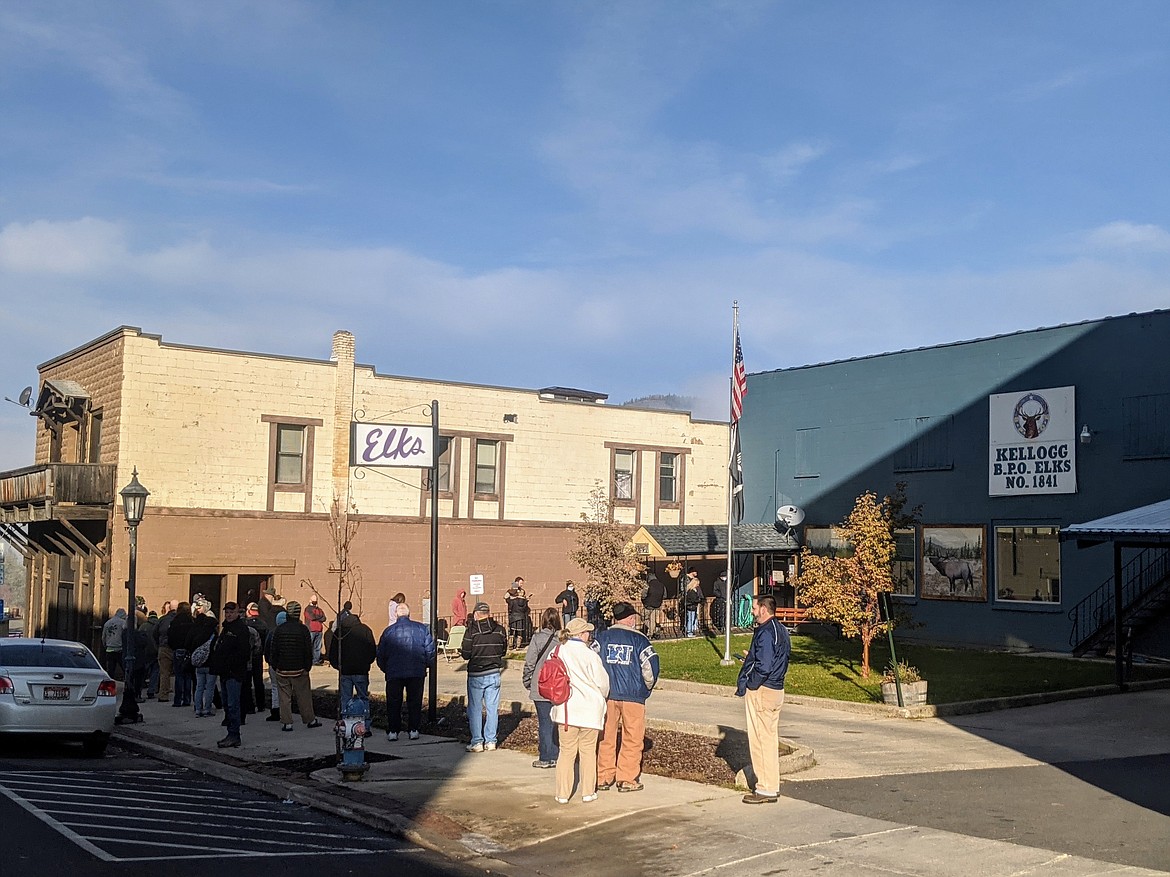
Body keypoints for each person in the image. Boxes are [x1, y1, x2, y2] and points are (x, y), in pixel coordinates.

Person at [594, 602, 659, 793]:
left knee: (606, 736)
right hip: (633, 696)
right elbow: (651, 668)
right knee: (633, 737)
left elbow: (592, 662)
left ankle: (603, 776)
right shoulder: (640, 640)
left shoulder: (601, 638)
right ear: (631, 619)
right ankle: (627, 778)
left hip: (608, 694)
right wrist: (645, 689)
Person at [735, 593, 791, 804]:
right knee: (769, 738)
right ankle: (771, 784)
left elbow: (765, 665)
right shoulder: (781, 630)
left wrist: (751, 682)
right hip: (776, 689)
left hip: (763, 690)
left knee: (760, 739)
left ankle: (765, 788)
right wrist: (753, 657)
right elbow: (774, 658)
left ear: (764, 610)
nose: (752, 611)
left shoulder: (766, 633)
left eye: (754, 608)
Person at [551, 617, 610, 805]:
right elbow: (603, 684)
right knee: (588, 752)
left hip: (566, 709)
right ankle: (587, 791)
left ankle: (562, 793)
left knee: (566, 753)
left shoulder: (557, 651)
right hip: (589, 711)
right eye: (587, 632)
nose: (589, 635)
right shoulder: (590, 655)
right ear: (581, 634)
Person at [376, 603, 436, 741]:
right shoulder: (422, 629)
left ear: (396, 614)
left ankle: (393, 731)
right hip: (416, 672)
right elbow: (430, 651)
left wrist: (386, 669)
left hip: (394, 672)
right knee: (415, 702)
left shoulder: (388, 632)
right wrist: (425, 666)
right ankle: (413, 729)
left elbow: (380, 654)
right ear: (409, 614)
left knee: (393, 702)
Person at [266, 600, 322, 732]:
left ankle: (287, 723)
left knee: (284, 697)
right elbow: (308, 650)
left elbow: (274, 650)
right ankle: (310, 720)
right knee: (304, 696)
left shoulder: (279, 630)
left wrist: (275, 665)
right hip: (299, 669)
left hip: (282, 669)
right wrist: (307, 667)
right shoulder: (303, 629)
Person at [459, 601, 508, 752]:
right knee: (492, 708)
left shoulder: (471, 631)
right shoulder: (500, 630)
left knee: (475, 708)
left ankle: (477, 742)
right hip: (494, 673)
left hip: (476, 673)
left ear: (476, 614)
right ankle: (491, 741)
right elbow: (503, 651)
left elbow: (466, 654)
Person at [521, 608, 562, 769]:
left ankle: (546, 756)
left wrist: (527, 681)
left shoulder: (537, 638)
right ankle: (557, 754)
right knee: (557, 721)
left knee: (545, 722)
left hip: (541, 685)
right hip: (558, 685)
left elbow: (530, 662)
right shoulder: (562, 640)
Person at [328, 607, 378, 734]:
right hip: (361, 670)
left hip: (345, 671)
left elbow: (333, 653)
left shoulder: (339, 632)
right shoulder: (365, 630)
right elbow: (372, 650)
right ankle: (365, 726)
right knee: (363, 697)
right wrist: (367, 663)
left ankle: (346, 726)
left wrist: (338, 667)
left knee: (345, 698)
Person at [208, 602, 251, 748]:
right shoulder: (225, 629)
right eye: (226, 612)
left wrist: (231, 664)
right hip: (224, 673)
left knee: (233, 705)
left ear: (237, 613)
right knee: (226, 704)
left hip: (234, 673)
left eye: (231, 612)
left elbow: (244, 653)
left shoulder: (241, 629)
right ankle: (230, 733)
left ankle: (234, 735)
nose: (228, 615)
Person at [186, 600, 218, 718]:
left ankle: (198, 708)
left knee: (199, 687)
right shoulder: (214, 636)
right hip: (211, 665)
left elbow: (190, 644)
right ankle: (207, 709)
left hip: (199, 664)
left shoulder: (198, 634)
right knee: (209, 687)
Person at [167, 601, 194, 708]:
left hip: (178, 649)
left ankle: (178, 700)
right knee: (187, 676)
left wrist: (173, 647)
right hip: (188, 650)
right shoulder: (192, 621)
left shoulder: (175, 621)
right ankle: (187, 699)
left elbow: (170, 636)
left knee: (179, 676)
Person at [244, 602, 268, 711]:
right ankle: (261, 705)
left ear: (248, 611)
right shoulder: (263, 624)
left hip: (247, 657)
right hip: (258, 655)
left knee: (247, 682)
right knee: (258, 681)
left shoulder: (245, 625)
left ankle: (249, 706)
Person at [154, 601, 177, 702]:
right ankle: (181, 696)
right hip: (177, 648)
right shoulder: (179, 620)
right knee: (181, 674)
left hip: (164, 647)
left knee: (164, 673)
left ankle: (163, 694)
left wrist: (159, 644)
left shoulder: (162, 619)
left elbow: (155, 633)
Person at [101, 608, 127, 679]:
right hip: (119, 649)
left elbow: (103, 636)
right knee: (124, 667)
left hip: (109, 649)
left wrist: (105, 645)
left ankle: (110, 680)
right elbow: (126, 634)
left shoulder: (107, 623)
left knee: (111, 668)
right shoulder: (123, 622)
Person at [506, 580, 530, 649]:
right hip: (521, 617)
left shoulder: (513, 601)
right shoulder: (524, 601)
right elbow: (525, 609)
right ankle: (518, 645)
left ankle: (511, 645)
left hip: (513, 617)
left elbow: (510, 607)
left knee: (512, 631)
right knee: (519, 632)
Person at [303, 594, 327, 665]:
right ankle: (308, 660)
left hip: (319, 630)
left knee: (318, 647)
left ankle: (316, 661)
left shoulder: (319, 609)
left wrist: (318, 617)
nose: (314, 602)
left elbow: (324, 618)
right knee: (309, 646)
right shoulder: (307, 609)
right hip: (311, 630)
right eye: (313, 600)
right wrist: (319, 617)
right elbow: (312, 617)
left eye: (315, 600)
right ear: (310, 600)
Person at [643, 574, 666, 639]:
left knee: (643, 617)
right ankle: (654, 630)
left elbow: (643, 595)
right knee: (653, 620)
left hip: (648, 605)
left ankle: (650, 632)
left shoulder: (647, 585)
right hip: (657, 605)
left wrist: (644, 601)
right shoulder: (662, 585)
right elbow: (664, 595)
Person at [684, 571, 703, 637]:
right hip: (691, 606)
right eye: (697, 584)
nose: (698, 585)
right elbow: (693, 599)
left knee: (691, 618)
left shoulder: (690, 590)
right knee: (691, 619)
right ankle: (690, 632)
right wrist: (698, 600)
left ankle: (689, 630)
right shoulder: (692, 591)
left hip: (691, 606)